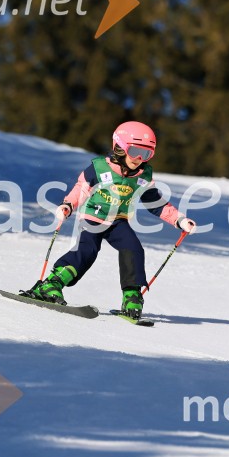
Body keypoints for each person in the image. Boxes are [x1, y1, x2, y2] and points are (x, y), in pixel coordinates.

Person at [29, 121, 197, 319]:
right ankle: (51, 284)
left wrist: (179, 220)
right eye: (135, 151)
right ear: (120, 146)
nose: (139, 159)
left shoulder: (143, 175)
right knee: (87, 250)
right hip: (93, 217)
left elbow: (155, 203)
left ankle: (132, 296)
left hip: (118, 221)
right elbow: (81, 189)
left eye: (146, 154)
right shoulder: (99, 168)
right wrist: (68, 205)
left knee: (133, 249)